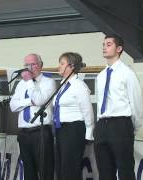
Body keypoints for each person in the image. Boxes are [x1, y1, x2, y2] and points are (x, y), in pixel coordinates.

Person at [94, 34, 143, 180]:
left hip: (121, 123)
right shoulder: (101, 76)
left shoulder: (127, 73)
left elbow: (136, 101)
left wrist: (132, 125)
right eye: (103, 44)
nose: (104, 47)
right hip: (103, 124)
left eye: (108, 44)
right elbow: (99, 101)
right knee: (104, 170)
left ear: (119, 48)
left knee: (125, 169)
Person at [10, 53, 55, 180]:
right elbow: (13, 106)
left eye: (33, 64)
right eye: (26, 65)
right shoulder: (20, 84)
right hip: (24, 133)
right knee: (29, 171)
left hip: (40, 132)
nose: (29, 67)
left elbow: (40, 100)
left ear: (41, 65)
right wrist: (29, 101)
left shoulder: (48, 82)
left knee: (45, 170)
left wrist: (30, 81)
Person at [53, 52, 94, 180]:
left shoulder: (79, 85)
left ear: (71, 66)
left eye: (62, 64)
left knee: (69, 168)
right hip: (61, 130)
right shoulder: (63, 85)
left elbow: (88, 111)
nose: (58, 67)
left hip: (74, 129)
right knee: (61, 167)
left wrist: (89, 133)